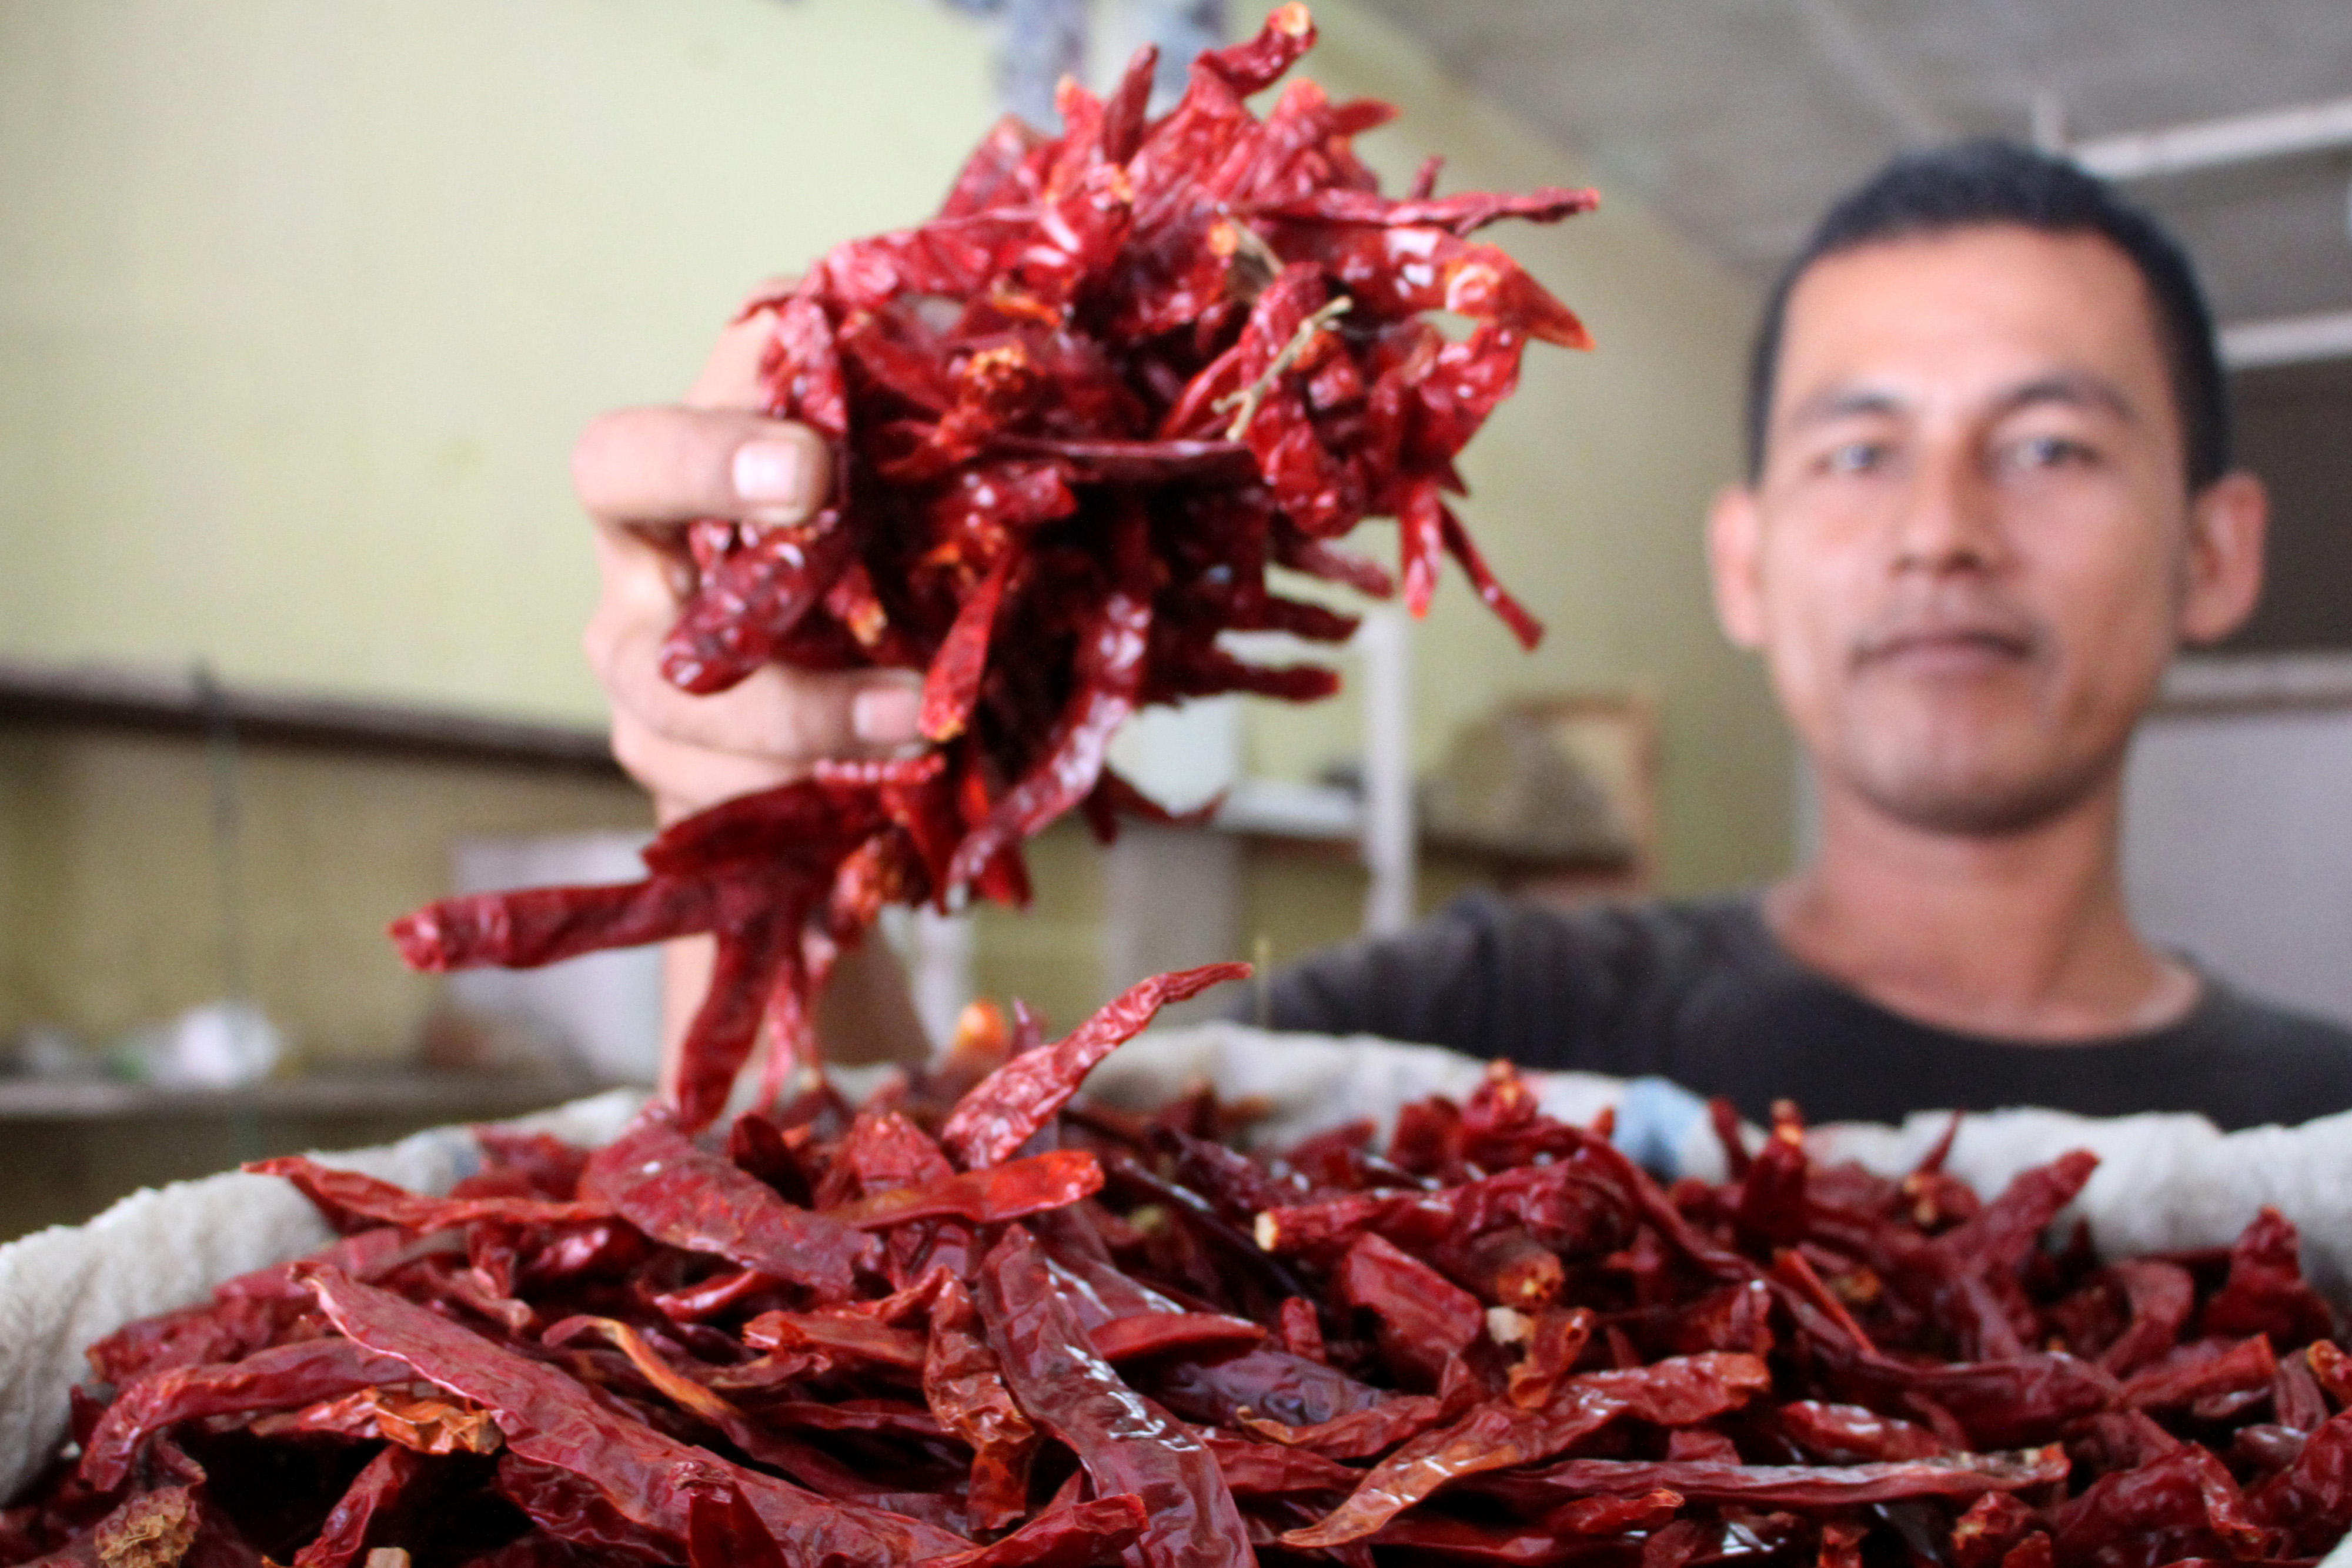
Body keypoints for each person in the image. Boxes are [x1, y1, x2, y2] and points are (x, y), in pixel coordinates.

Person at [570, 141, 2352, 1130]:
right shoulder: (1475, 1021)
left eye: (2048, 446)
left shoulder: (2323, 1127)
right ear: (1742, 560)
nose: (1944, 530)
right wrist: (770, 807)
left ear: (2216, 549)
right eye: (1859, 449)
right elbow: (890, 1219)